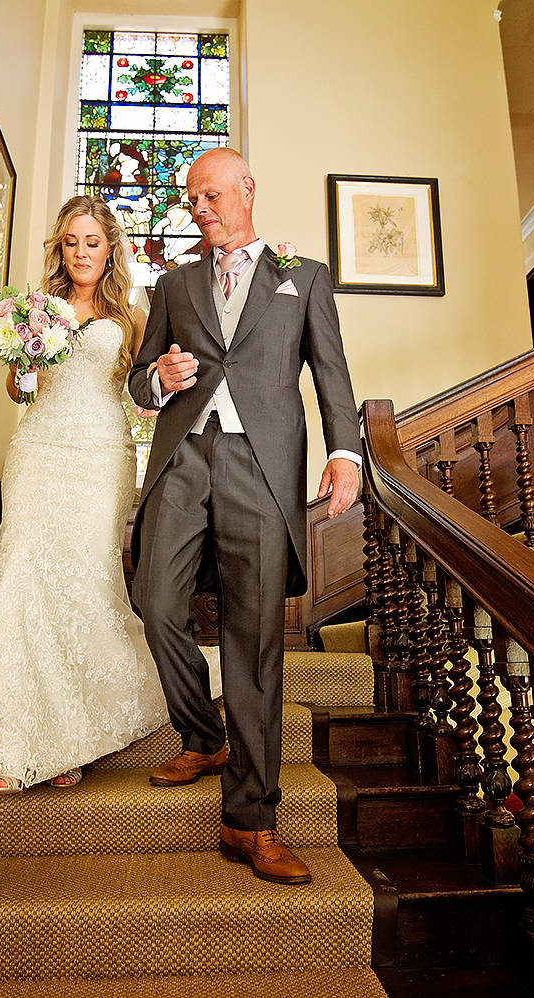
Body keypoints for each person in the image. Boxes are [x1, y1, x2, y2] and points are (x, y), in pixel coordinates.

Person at [127, 148, 362, 885]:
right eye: (192, 200)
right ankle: (204, 730)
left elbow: (331, 370)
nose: (200, 209)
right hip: (184, 460)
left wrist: (346, 453)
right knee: (155, 599)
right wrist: (158, 378)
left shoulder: (303, 278)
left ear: (247, 190)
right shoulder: (174, 282)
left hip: (262, 469)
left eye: (211, 195)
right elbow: (137, 378)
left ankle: (250, 821)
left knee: (254, 637)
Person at [0, 196, 173, 794]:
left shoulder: (132, 318)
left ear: (111, 248)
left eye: (92, 241)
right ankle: (15, 744)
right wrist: (26, 356)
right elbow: (17, 391)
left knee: (86, 583)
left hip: (99, 457)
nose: (81, 252)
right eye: (70, 242)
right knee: (20, 578)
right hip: (38, 453)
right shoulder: (34, 310)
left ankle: (72, 738)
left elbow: (145, 392)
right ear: (59, 249)